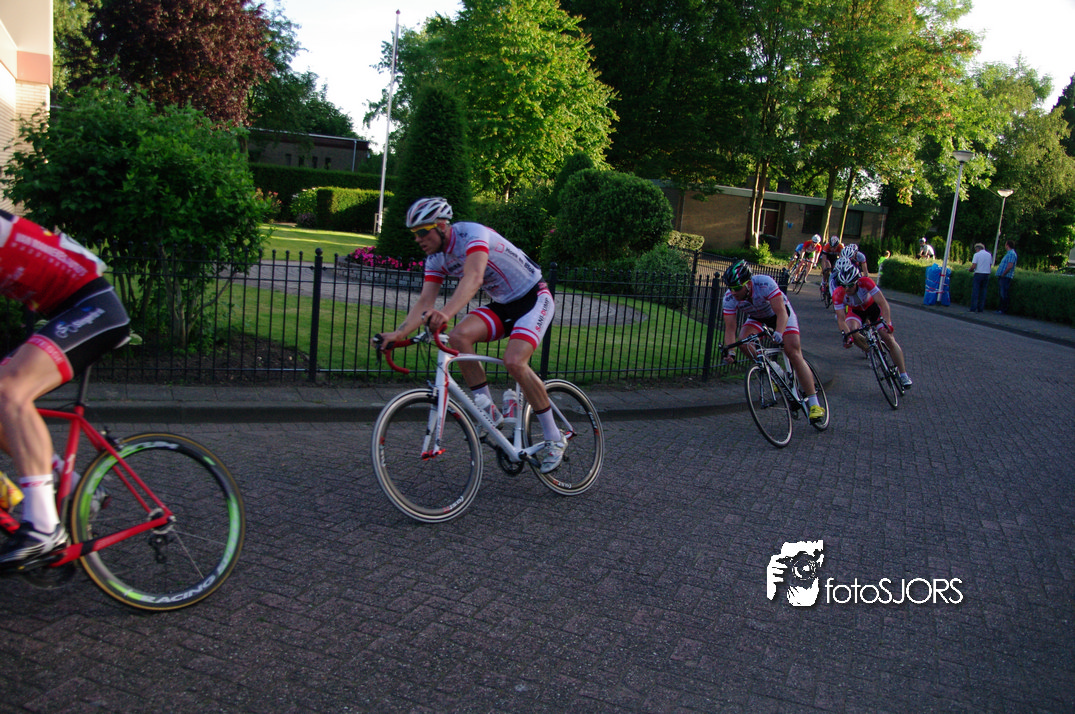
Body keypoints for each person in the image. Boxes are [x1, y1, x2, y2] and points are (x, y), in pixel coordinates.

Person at [372, 197, 565, 473]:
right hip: (503, 305)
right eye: (414, 233)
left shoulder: (472, 235)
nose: (418, 239)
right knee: (459, 336)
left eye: (422, 232)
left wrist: (445, 314)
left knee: (514, 361)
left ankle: (554, 437)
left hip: (534, 298)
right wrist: (398, 333)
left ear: (441, 226)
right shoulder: (435, 259)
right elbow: (425, 301)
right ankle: (488, 411)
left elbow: (474, 278)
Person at [0, 210, 130, 567]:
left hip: (95, 309)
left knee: (10, 390)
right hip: (68, 312)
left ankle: (44, 527)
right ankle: (70, 484)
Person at [720, 259, 826, 422]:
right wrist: (731, 352)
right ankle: (775, 371)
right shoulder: (729, 298)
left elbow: (782, 313)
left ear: (748, 284)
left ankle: (814, 404)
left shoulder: (764, 284)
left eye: (736, 288)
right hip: (757, 318)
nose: (733, 292)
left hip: (780, 315)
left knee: (793, 352)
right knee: (744, 342)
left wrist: (779, 332)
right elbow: (730, 329)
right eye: (730, 288)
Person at [830, 257, 913, 389]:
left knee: (887, 338)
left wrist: (887, 323)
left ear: (857, 282)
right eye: (844, 285)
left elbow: (883, 304)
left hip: (873, 308)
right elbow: (841, 319)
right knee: (852, 331)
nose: (847, 289)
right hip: (856, 312)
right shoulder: (838, 293)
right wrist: (847, 336)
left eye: (850, 285)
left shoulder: (866, 282)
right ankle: (871, 351)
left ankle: (903, 375)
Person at [995, 240, 1017, 314]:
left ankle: (1003, 309)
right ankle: (1000, 308)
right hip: (1003, 276)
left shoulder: (1011, 254)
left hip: (1006, 276)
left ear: (1007, 245)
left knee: (1003, 293)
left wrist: (1003, 274)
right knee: (1001, 292)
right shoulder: (1009, 253)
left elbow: (1010, 266)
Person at [969, 242, 992, 313]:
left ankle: (973, 308)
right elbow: (990, 265)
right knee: (983, 292)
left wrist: (970, 270)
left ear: (977, 249)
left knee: (975, 291)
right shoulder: (989, 255)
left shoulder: (976, 255)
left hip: (978, 273)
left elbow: (974, 266)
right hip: (986, 274)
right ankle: (980, 308)